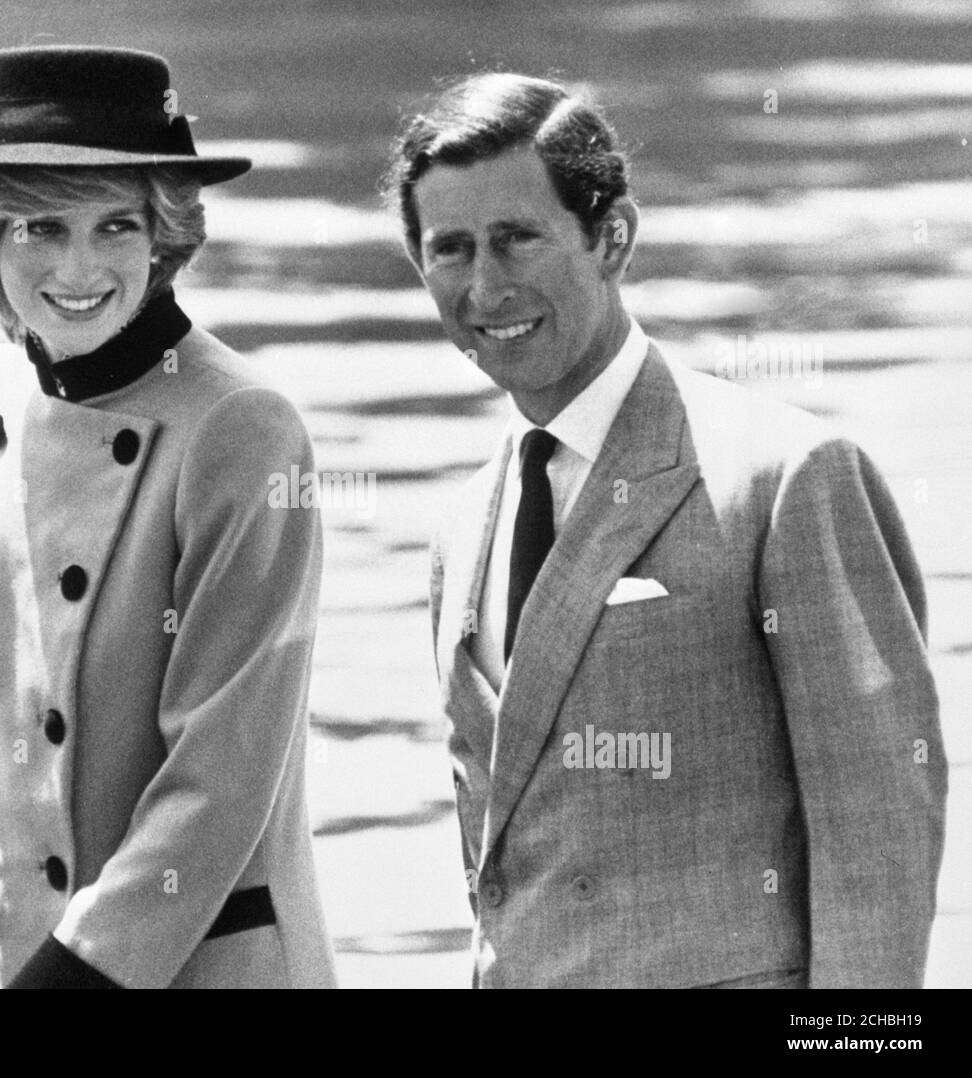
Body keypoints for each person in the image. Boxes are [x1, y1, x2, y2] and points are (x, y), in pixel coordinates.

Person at [386, 72, 946, 988]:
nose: (486, 286)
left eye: (517, 238)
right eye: (450, 250)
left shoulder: (784, 478)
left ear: (613, 238)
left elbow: (879, 834)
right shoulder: (462, 523)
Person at [0, 45, 336, 989]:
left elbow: (213, 793)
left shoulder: (244, 428)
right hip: (22, 963)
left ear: (163, 237)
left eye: (116, 226)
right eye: (40, 228)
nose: (81, 268)